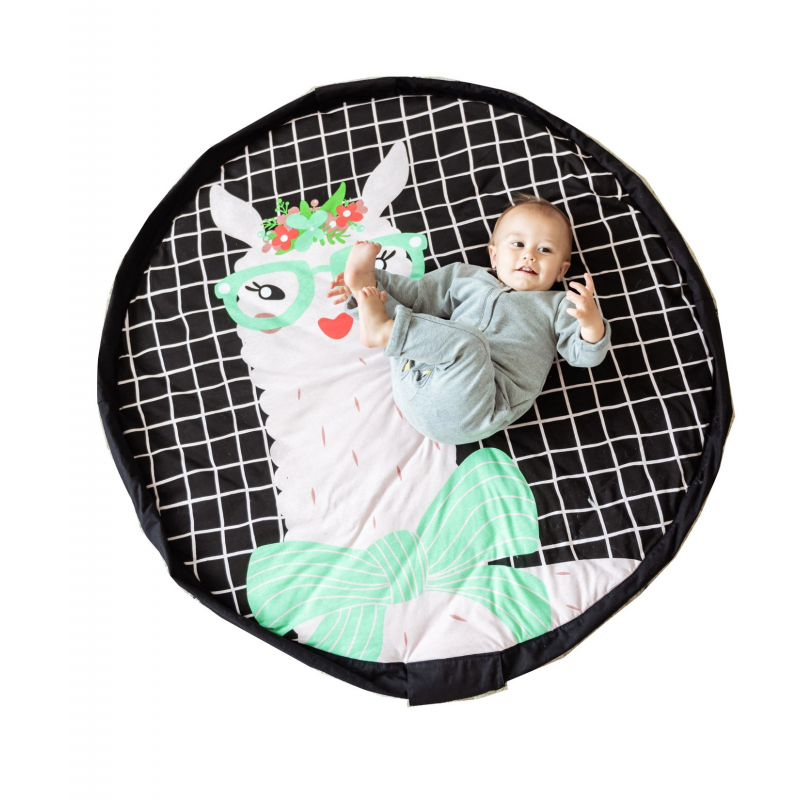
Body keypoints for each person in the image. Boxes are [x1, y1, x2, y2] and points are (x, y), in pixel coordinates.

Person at [328, 193, 612, 446]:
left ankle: (384, 331)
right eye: (518, 244)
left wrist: (590, 322)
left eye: (545, 250)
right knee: (416, 317)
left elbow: (585, 357)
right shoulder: (464, 277)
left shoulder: (560, 305)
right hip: (413, 375)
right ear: (494, 255)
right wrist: (378, 284)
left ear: (561, 271)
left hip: (475, 406)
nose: (529, 255)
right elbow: (417, 295)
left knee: (469, 343)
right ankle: (365, 288)